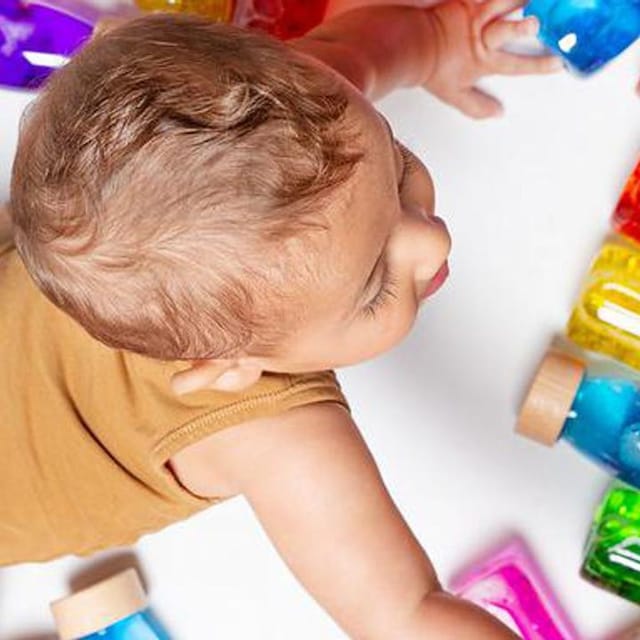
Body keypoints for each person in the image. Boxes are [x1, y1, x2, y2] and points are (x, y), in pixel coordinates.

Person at [3, 4, 560, 637]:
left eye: (398, 166)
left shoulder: (297, 138)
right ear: (227, 369)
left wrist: (438, 38)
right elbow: (404, 613)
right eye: (374, 284)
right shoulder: (276, 435)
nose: (433, 242)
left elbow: (360, 53)